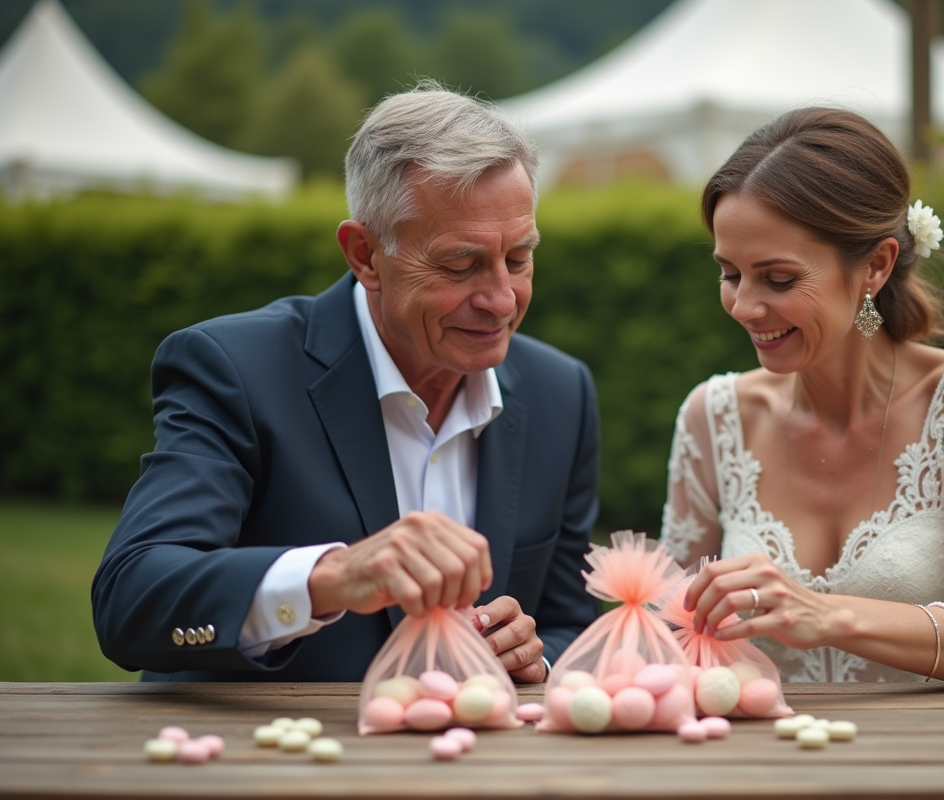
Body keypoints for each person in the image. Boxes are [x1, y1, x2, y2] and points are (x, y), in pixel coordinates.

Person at [92, 83, 600, 683]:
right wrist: (331, 578)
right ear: (364, 254)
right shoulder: (235, 369)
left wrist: (532, 656)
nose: (501, 299)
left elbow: (568, 622)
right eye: (460, 265)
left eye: (518, 259)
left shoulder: (561, 392)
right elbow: (130, 598)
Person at [662, 108, 944, 687]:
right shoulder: (714, 416)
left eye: (778, 278)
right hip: (761, 742)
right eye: (730, 274)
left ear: (876, 265)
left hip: (938, 744)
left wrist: (826, 616)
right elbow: (670, 632)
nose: (743, 306)